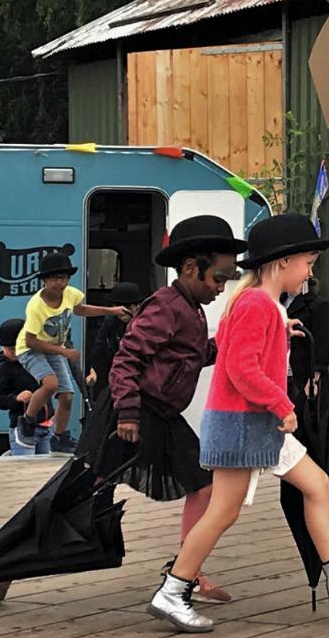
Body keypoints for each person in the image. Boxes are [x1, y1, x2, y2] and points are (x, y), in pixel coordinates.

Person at [148, 214, 329, 633]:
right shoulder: (258, 304)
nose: (310, 273)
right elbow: (242, 368)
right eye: (307, 263)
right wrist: (283, 405)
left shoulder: (259, 304)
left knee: (316, 485)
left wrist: (280, 328)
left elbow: (232, 348)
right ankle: (173, 589)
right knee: (224, 511)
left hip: (249, 422)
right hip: (246, 422)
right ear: (283, 263)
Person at [104, 216, 246, 604]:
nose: (221, 287)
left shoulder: (190, 307)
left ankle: (186, 572)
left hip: (161, 415)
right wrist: (128, 413)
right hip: (131, 413)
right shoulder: (166, 306)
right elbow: (125, 360)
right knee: (82, 495)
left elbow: (196, 355)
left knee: (203, 485)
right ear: (188, 268)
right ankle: (8, 562)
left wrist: (251, 337)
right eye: (218, 277)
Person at [16, 251, 109, 453]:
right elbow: (31, 341)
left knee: (67, 396)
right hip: (30, 349)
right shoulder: (36, 306)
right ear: (45, 281)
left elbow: (81, 310)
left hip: (54, 348)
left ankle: (58, 437)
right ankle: (28, 420)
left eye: (64, 278)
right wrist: (63, 351)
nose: (60, 283)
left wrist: (112, 310)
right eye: (54, 279)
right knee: (50, 384)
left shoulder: (71, 294)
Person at [0, 318, 51, 455]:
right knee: (26, 468)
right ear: (2, 348)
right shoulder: (3, 368)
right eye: (11, 349)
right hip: (22, 426)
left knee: (47, 470)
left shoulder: (37, 359)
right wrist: (16, 398)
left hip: (45, 424)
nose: (16, 352)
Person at [85, 282, 143, 403]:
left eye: (128, 308)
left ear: (138, 306)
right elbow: (98, 348)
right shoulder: (110, 322)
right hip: (115, 375)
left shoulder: (145, 323)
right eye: (120, 308)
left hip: (140, 376)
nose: (123, 313)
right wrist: (93, 370)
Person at [286, 276, 329, 409]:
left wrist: (314, 377)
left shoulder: (317, 305)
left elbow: (323, 342)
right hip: (280, 370)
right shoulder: (278, 301)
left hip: (304, 372)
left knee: (303, 416)